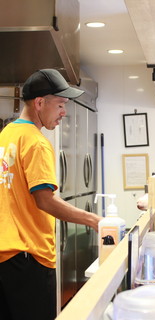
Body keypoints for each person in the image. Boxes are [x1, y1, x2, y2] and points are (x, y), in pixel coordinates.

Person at [0, 69, 103, 320]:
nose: (63, 113)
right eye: (60, 105)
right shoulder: (35, 142)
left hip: (6, 257)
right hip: (29, 257)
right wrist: (95, 221)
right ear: (39, 103)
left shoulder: (7, 135)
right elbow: (45, 200)